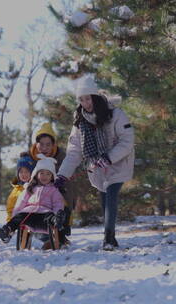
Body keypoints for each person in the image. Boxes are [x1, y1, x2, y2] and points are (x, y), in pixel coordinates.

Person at [55, 76, 135, 251]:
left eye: (88, 98)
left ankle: (108, 237)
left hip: (118, 162)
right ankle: (111, 239)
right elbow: (74, 151)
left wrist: (108, 158)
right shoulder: (80, 122)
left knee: (112, 194)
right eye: (81, 99)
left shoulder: (115, 114)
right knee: (105, 197)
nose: (85, 103)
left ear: (95, 96)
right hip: (97, 167)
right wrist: (62, 175)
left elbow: (127, 141)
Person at [0, 155, 65, 244]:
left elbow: (57, 203)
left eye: (48, 174)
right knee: (19, 217)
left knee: (50, 217)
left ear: (52, 176)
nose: (45, 176)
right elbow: (21, 202)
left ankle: (56, 220)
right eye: (42, 173)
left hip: (44, 217)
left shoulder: (54, 190)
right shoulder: (30, 188)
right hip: (29, 216)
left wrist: (57, 213)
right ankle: (7, 230)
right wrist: (15, 215)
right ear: (36, 174)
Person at [29, 122, 76, 246]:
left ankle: (58, 234)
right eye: (41, 144)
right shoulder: (31, 157)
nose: (44, 148)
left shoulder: (60, 157)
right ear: (36, 144)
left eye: (48, 145)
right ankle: (47, 235)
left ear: (53, 145)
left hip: (57, 193)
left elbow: (65, 177)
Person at [5, 152, 35, 223]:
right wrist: (10, 223)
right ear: (18, 174)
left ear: (32, 172)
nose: (24, 174)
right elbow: (10, 209)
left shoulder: (37, 187)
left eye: (27, 171)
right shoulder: (16, 190)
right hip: (20, 224)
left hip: (36, 223)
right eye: (21, 172)